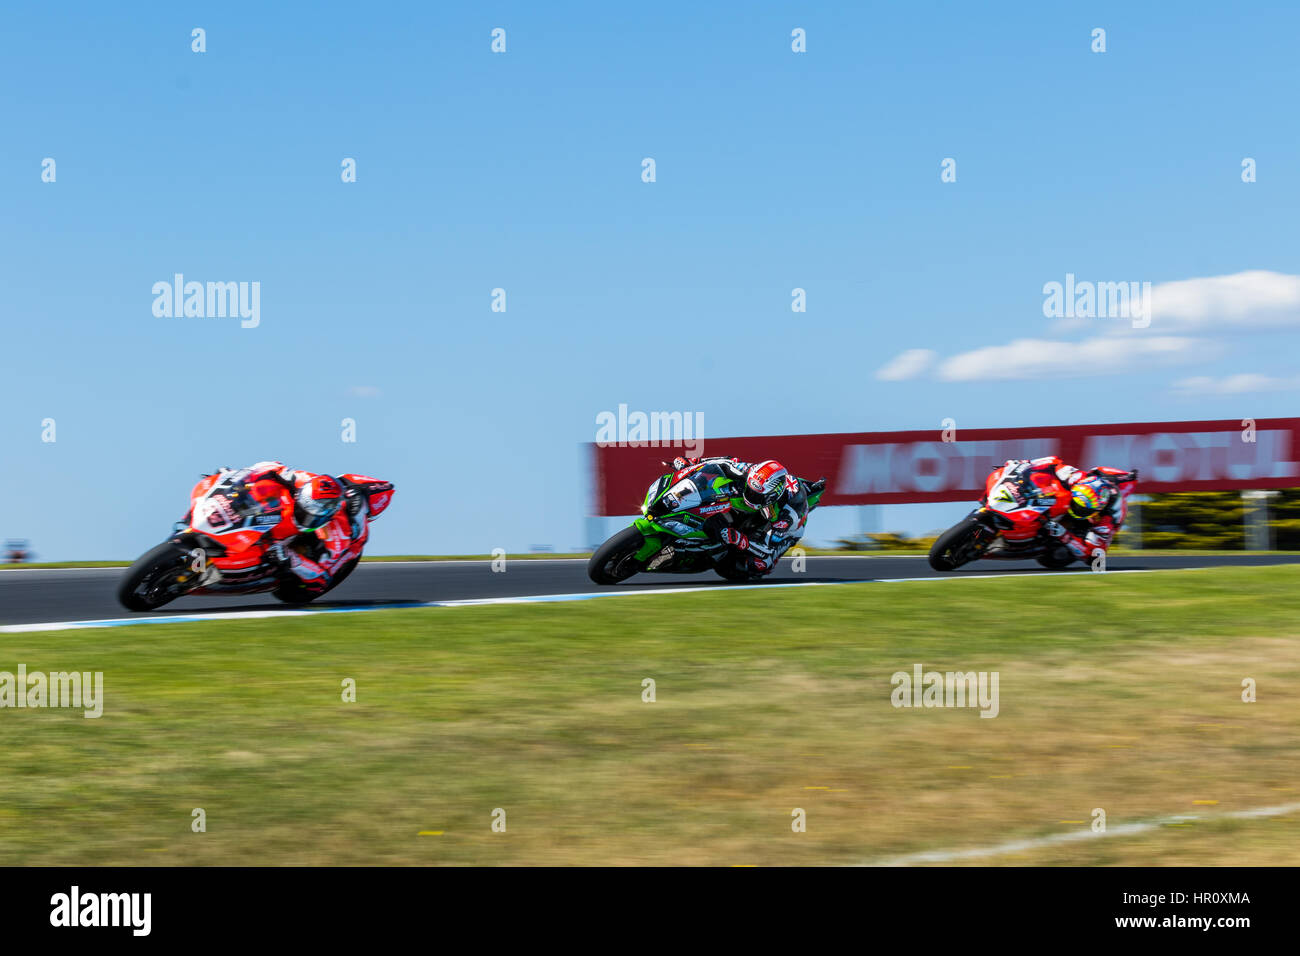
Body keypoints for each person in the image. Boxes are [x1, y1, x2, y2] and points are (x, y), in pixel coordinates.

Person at [201, 461, 393, 595]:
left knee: (317, 583)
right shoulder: (303, 480)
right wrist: (232, 477)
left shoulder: (339, 530)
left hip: (332, 551)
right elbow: (267, 467)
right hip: (294, 510)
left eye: (309, 514)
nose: (304, 514)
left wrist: (290, 558)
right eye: (304, 508)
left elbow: (320, 572)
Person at [669, 455, 825, 573]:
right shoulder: (752, 472)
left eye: (756, 495)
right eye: (750, 490)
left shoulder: (785, 516)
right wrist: (694, 462)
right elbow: (724, 462)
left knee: (760, 564)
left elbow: (767, 548)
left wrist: (739, 539)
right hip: (766, 503)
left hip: (787, 530)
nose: (750, 495)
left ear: (770, 497)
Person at [997, 456, 1137, 562]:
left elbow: (1095, 556)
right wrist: (1021, 465)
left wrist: (1064, 535)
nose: (1075, 509)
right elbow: (1053, 461)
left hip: (1096, 522)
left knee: (1092, 554)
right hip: (1090, 488)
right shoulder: (1076, 478)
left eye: (1081, 509)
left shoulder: (1108, 518)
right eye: (1076, 504)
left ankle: (1056, 539)